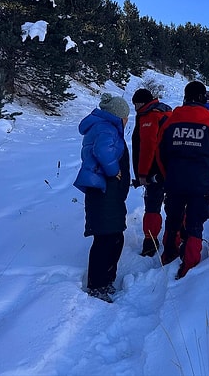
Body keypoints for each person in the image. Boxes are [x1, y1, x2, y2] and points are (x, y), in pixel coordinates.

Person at [157, 81, 209, 279]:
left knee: (173, 220)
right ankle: (189, 264)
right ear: (202, 98)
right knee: (195, 223)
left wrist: (167, 176)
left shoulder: (170, 122)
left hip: (175, 181)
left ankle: (168, 254)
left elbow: (160, 154)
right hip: (202, 183)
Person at [73, 93, 131, 303]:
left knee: (113, 236)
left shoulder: (103, 126)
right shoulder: (107, 128)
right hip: (104, 190)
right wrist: (113, 170)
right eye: (126, 117)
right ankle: (98, 285)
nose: (127, 121)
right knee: (106, 239)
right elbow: (102, 151)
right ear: (117, 116)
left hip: (106, 191)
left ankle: (104, 281)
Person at [131, 88, 172, 257]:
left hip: (155, 171)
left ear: (140, 103)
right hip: (172, 168)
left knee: (153, 206)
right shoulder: (165, 112)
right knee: (174, 205)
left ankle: (150, 242)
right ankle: (175, 238)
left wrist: (142, 174)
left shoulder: (149, 117)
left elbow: (148, 147)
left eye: (135, 105)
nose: (134, 108)